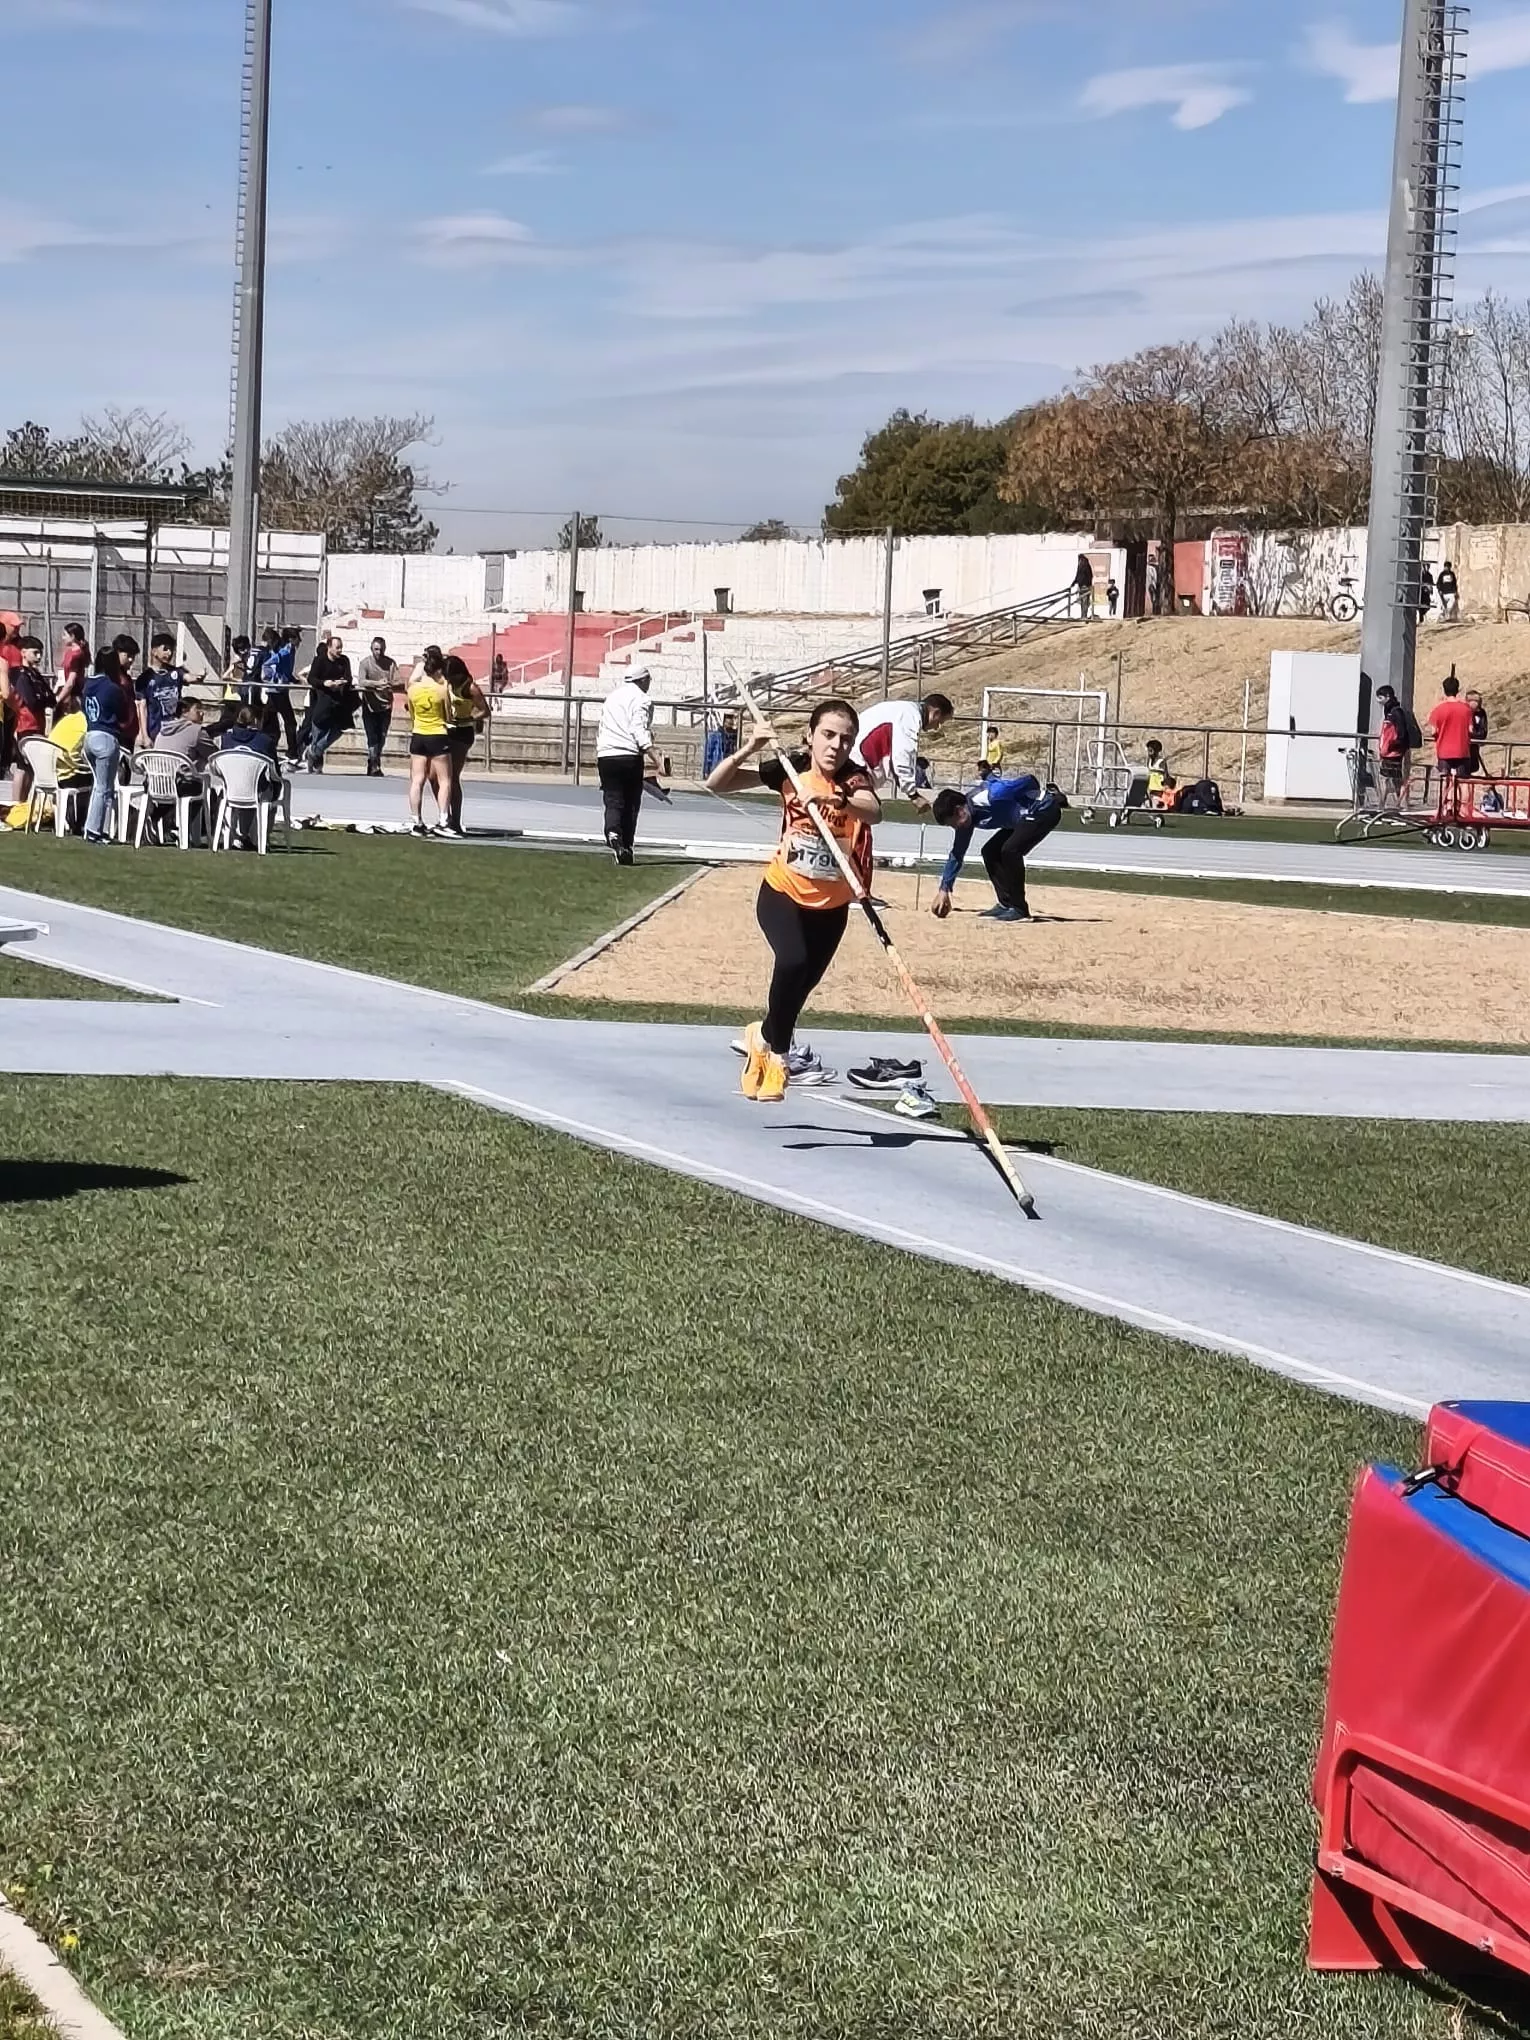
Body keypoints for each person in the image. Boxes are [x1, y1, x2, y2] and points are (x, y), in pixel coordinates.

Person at [706, 698, 880, 1104]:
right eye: (828, 735)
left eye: (846, 739)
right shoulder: (790, 768)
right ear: (810, 736)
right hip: (781, 892)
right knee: (793, 962)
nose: (836, 745)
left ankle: (761, 1038)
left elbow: (873, 811)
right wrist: (751, 747)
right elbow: (717, 783)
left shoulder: (854, 779)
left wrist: (838, 801)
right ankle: (778, 1058)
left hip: (831, 908)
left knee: (799, 989)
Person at [929, 771, 1065, 924]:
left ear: (959, 811)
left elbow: (1030, 780)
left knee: (1010, 850)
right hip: (1020, 820)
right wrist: (944, 889)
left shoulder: (993, 795)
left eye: (952, 823)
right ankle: (1006, 903)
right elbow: (957, 854)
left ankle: (1020, 909)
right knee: (990, 851)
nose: (955, 828)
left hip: (1044, 809)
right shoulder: (967, 819)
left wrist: (1045, 796)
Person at [595, 665, 659, 865]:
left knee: (613, 798)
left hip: (606, 755)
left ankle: (613, 832)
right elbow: (638, 730)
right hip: (629, 755)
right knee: (631, 803)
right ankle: (627, 845)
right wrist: (656, 758)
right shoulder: (642, 699)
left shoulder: (612, 697)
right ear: (643, 680)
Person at [851, 693, 954, 800]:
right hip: (857, 770)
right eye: (940, 722)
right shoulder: (909, 717)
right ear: (936, 713)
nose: (937, 727)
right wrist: (913, 795)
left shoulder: (901, 709)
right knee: (870, 811)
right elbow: (901, 756)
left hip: (853, 764)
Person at [82, 648, 131, 844]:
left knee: (101, 786)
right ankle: (93, 830)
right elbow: (123, 715)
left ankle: (100, 829)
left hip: (90, 734)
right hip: (106, 737)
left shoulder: (88, 684)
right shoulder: (112, 687)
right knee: (103, 787)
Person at [405, 646, 452, 837]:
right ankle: (443, 819)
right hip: (438, 733)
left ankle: (416, 820)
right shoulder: (441, 688)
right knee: (444, 781)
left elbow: (413, 714)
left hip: (419, 734)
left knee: (417, 780)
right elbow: (448, 715)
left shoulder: (413, 689)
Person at [2, 636, 54, 807]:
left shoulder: (35, 675)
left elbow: (49, 697)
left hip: (37, 724)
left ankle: (23, 804)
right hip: (25, 724)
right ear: (23, 653)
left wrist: (43, 697)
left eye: (40, 653)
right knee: (22, 766)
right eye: (35, 653)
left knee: (31, 766)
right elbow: (31, 700)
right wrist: (42, 697)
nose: (39, 657)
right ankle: (16, 803)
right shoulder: (20, 674)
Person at [442, 652, 489, 837]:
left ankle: (456, 821)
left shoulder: (470, 687)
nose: (449, 680)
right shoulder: (447, 684)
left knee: (452, 777)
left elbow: (485, 711)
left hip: (462, 733)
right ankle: (445, 816)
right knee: (441, 776)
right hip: (448, 729)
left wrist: (468, 719)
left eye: (451, 677)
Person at [301, 634, 355, 773]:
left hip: (339, 702)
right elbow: (312, 678)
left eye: (341, 648)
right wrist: (325, 683)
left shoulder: (344, 661)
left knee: (337, 731)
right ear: (329, 648)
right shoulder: (320, 661)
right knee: (318, 731)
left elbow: (348, 678)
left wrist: (342, 682)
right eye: (337, 648)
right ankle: (315, 765)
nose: (340, 651)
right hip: (322, 701)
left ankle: (314, 751)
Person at [357, 635, 399, 776]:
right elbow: (362, 681)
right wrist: (376, 684)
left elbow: (398, 681)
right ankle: (374, 763)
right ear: (371, 649)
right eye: (376, 649)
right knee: (372, 736)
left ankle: (374, 760)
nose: (378, 652)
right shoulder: (365, 663)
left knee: (382, 736)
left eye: (381, 649)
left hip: (385, 705)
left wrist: (389, 684)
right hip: (369, 705)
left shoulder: (391, 663)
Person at [260, 625, 302, 761]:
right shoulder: (287, 649)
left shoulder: (292, 650)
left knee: (269, 719)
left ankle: (268, 747)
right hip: (277, 690)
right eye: (297, 638)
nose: (299, 641)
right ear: (291, 639)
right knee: (289, 722)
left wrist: (293, 679)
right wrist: (273, 677)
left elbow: (286, 670)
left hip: (280, 689)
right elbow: (273, 662)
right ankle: (292, 753)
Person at [136, 633, 187, 743]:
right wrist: (144, 736)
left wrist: (200, 675)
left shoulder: (176, 672)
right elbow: (142, 708)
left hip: (174, 730)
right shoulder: (145, 678)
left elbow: (190, 677)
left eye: (171, 650)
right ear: (154, 651)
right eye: (165, 649)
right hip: (155, 732)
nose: (169, 653)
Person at [1374, 683, 1414, 813]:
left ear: (1387, 696)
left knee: (1387, 779)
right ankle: (1400, 804)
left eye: (1380, 697)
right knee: (1395, 779)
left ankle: (1385, 804)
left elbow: (1401, 733)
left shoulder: (1395, 712)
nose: (1378, 701)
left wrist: (1392, 745)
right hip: (1390, 751)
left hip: (1393, 752)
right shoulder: (1390, 711)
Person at [1426, 671, 1474, 781]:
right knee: (1463, 782)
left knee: (1445, 781)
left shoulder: (1438, 710)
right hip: (1462, 751)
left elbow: (1433, 731)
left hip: (1444, 752)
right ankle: (1463, 799)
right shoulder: (1466, 709)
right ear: (1458, 690)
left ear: (1444, 690)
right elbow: (1470, 730)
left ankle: (1445, 797)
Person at [56, 623, 90, 717]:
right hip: (67, 695)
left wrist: (59, 699)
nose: (63, 638)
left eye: (65, 635)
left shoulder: (77, 655)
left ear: (72, 636)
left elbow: (71, 681)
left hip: (74, 697)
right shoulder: (69, 652)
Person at [1468, 689, 1489, 777]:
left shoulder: (1481, 713)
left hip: (1475, 749)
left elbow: (1483, 733)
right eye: (1475, 701)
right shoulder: (1464, 712)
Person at [1073, 554, 1094, 621]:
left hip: (1085, 586)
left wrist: (1088, 584)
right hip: (1081, 585)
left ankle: (1084, 615)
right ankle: (1083, 615)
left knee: (1085, 601)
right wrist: (1073, 583)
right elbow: (1077, 576)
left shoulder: (1085, 566)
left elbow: (1089, 576)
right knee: (1082, 601)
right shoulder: (1080, 566)